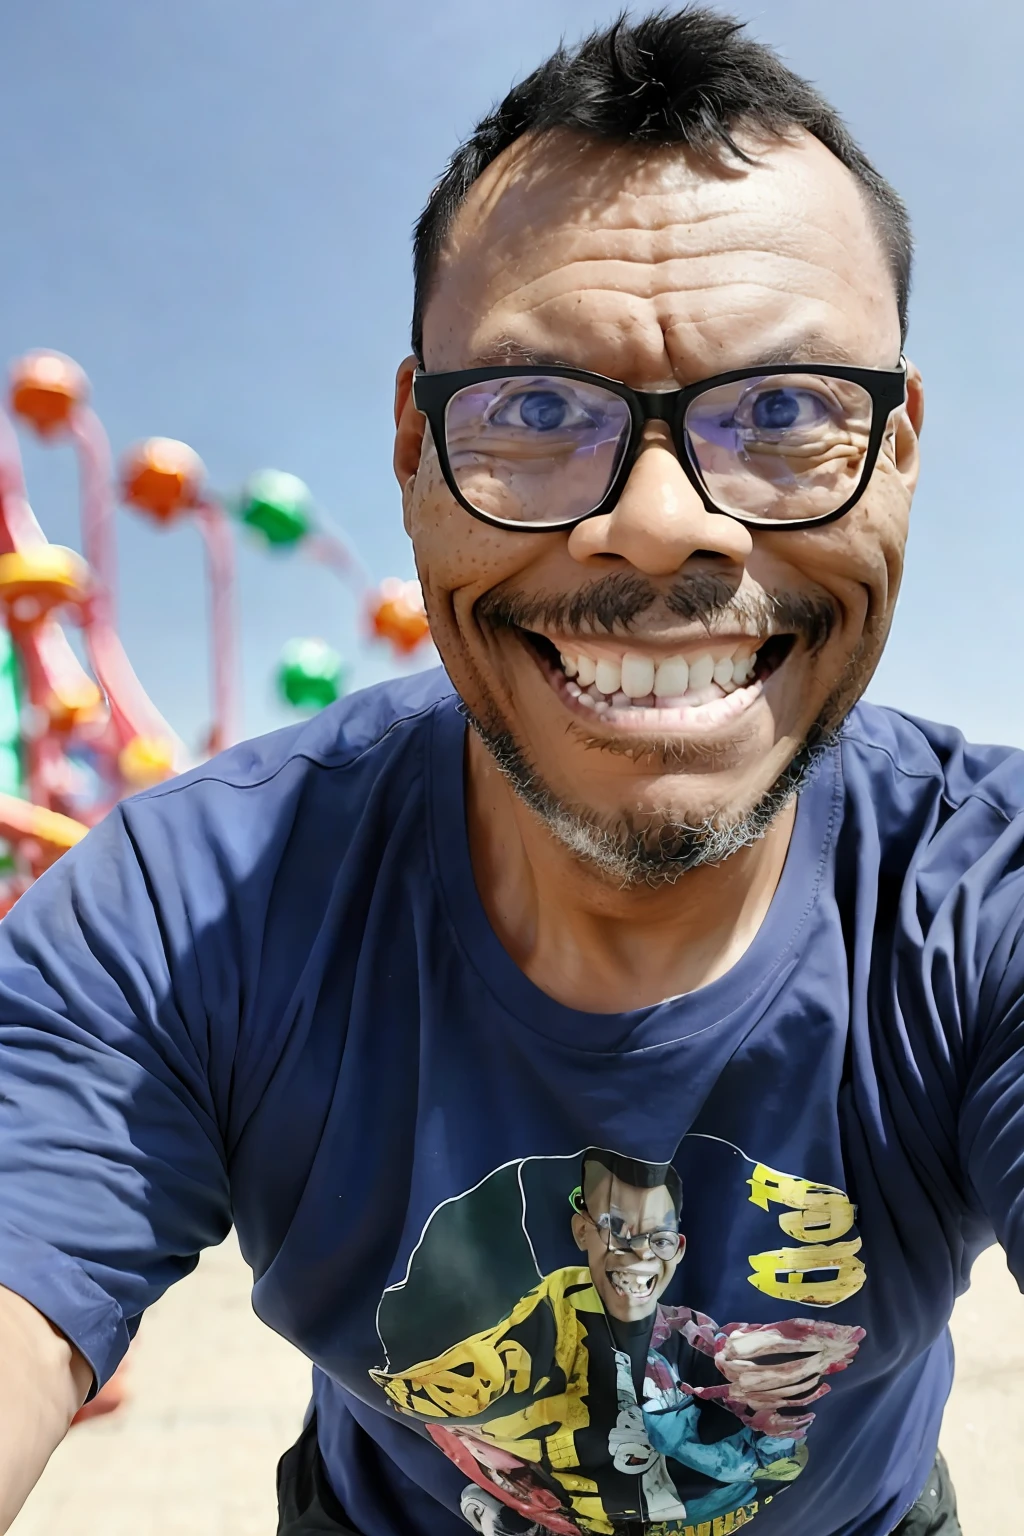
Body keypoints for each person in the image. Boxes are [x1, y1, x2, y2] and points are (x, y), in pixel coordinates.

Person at [0, 8, 1011, 1534]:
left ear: (904, 453)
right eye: (536, 412)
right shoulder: (184, 914)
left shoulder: (977, 896)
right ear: (411, 452)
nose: (666, 524)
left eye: (789, 409)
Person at [369, 1148, 863, 1533]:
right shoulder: (546, 1315)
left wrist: (770, 1400)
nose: (637, 1255)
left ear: (678, 1245)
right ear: (582, 1231)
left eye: (658, 1239)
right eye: (616, 1233)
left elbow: (769, 1444)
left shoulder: (695, 1338)